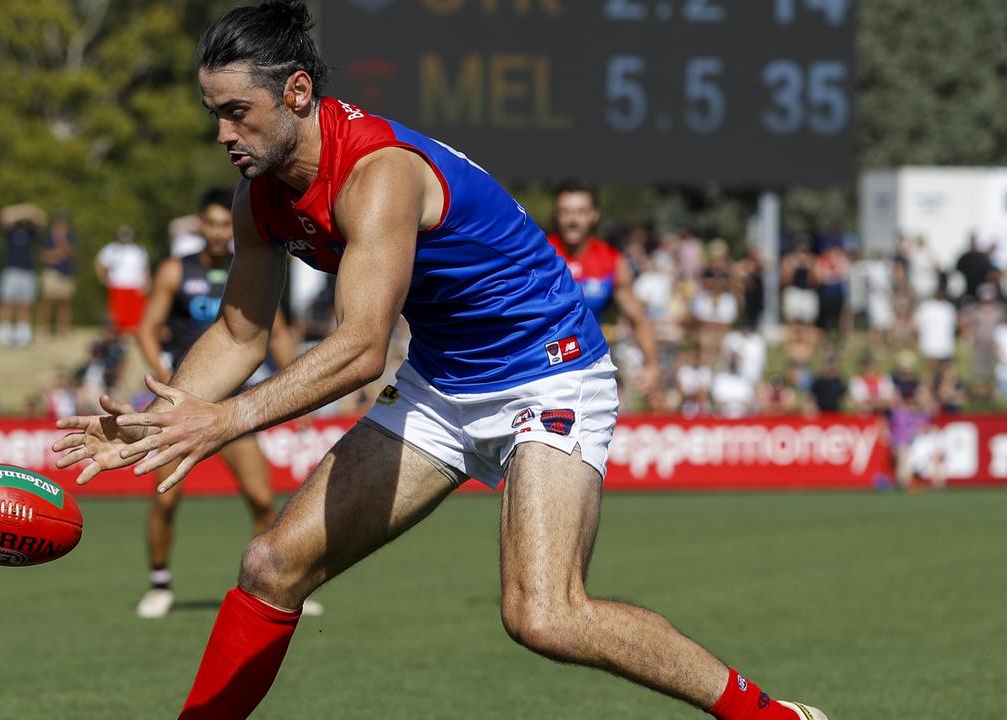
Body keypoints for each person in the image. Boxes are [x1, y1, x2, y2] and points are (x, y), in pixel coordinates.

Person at [52, 4, 828, 719]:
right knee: (270, 565)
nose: (223, 134)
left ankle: (771, 716)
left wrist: (224, 420)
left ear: (295, 92)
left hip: (548, 372)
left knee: (545, 615)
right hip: (444, 383)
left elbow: (358, 349)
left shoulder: (378, 174)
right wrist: (160, 421)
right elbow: (242, 331)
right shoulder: (260, 195)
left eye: (235, 113)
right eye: (213, 115)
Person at [132, 187, 312, 619]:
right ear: (200, 225)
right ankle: (159, 585)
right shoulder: (176, 270)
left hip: (229, 408)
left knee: (262, 501)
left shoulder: (249, 267)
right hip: (181, 404)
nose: (217, 232)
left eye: (222, 224)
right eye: (210, 224)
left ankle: (276, 586)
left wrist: (296, 392)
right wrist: (165, 377)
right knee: (165, 501)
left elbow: (279, 331)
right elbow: (146, 327)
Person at [547, 181, 659, 393]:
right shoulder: (541, 255)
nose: (572, 219)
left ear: (594, 215)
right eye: (565, 212)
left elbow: (638, 320)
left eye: (580, 212)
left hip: (589, 368)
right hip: (542, 369)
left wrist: (651, 366)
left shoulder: (611, 261)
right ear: (557, 215)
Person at [0, 202, 46, 347]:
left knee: (25, 304)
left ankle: (23, 335)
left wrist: (31, 211)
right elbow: (3, 215)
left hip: (27, 272)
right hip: (11, 271)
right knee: (7, 302)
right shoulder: (10, 231)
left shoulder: (30, 232)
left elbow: (42, 219)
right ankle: (6, 334)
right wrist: (23, 210)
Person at [94, 225, 150, 335]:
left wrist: (147, 282)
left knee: (135, 315)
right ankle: (117, 335)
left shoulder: (139, 250)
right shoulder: (111, 249)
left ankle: (133, 336)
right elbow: (100, 263)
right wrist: (104, 279)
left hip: (135, 285)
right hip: (118, 285)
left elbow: (145, 268)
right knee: (118, 315)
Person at [38, 210, 77, 336]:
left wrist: (61, 241)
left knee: (64, 301)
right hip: (51, 272)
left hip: (66, 272)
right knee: (48, 300)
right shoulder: (47, 236)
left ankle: (63, 329)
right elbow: (44, 255)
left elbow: (69, 252)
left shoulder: (70, 236)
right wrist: (57, 254)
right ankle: (44, 327)